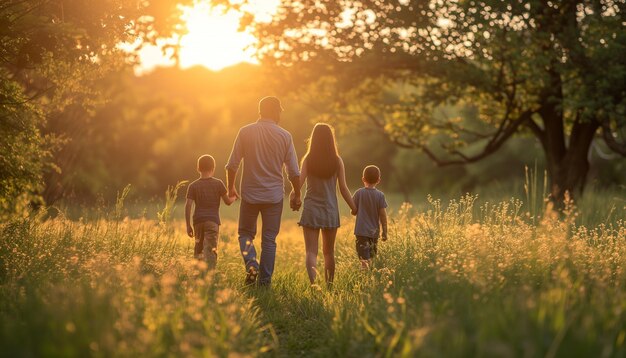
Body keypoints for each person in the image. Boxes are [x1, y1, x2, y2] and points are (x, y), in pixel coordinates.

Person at [226, 96, 301, 287]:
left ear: (260, 111)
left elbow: (232, 165)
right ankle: (265, 282)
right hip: (274, 197)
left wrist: (231, 188)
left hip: (250, 195)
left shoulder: (245, 132)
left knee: (245, 233)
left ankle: (251, 264)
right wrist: (297, 193)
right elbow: (293, 171)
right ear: (276, 112)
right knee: (269, 239)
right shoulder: (285, 136)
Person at [296, 123, 356, 286]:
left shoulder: (308, 159)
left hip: (311, 210)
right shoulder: (337, 161)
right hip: (330, 210)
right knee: (329, 253)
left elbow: (299, 184)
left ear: (313, 139)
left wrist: (294, 198)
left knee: (311, 251)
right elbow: (343, 188)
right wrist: (354, 207)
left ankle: (314, 286)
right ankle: (329, 286)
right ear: (331, 139)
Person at [185, 154, 236, 269]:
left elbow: (188, 205)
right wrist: (234, 197)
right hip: (212, 222)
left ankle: (197, 276)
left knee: (198, 250)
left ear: (198, 168)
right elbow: (227, 202)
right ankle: (210, 276)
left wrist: (188, 225)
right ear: (213, 168)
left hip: (198, 222)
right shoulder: (218, 184)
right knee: (211, 252)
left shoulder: (193, 186)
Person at [352, 165, 388, 269]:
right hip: (374, 233)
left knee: (364, 260)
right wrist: (384, 231)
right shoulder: (380, 195)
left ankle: (365, 280)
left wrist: (354, 210)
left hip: (361, 232)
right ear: (378, 180)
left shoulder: (359, 193)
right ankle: (369, 279)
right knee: (371, 258)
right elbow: (383, 216)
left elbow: (353, 211)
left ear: (363, 179)